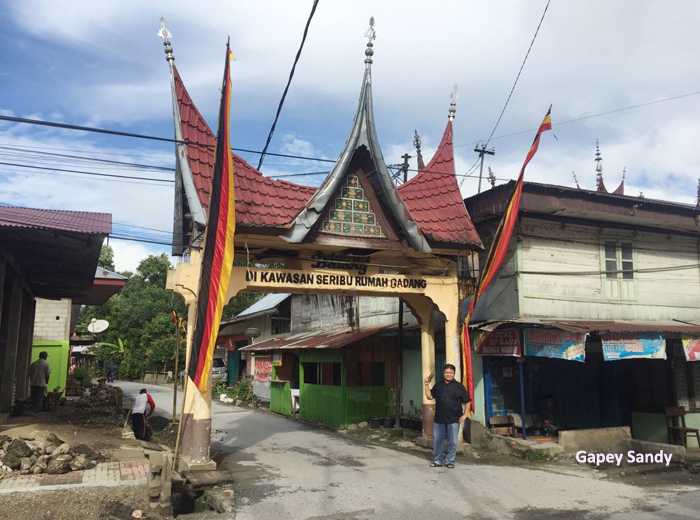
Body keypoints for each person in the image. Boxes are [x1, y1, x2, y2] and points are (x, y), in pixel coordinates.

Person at [424, 364, 470, 468]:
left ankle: (450, 461)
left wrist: (465, 415)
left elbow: (467, 401)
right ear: (443, 373)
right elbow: (429, 396)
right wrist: (426, 384)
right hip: (439, 418)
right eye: (446, 372)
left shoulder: (459, 387)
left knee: (453, 441)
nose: (448, 374)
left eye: (451, 373)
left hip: (454, 419)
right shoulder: (438, 385)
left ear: (454, 374)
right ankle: (438, 460)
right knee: (438, 440)